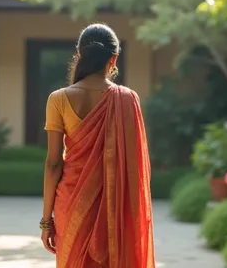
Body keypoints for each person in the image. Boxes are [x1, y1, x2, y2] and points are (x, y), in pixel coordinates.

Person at [40, 23, 155, 268]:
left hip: (70, 205)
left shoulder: (58, 99)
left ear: (79, 55)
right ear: (113, 59)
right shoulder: (127, 99)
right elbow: (135, 169)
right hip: (114, 209)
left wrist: (46, 221)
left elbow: (53, 164)